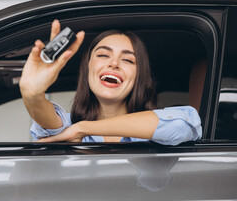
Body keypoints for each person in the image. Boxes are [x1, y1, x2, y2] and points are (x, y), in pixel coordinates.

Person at [19, 20, 202, 145]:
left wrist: (84, 129)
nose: (113, 63)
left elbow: (182, 125)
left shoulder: (155, 131)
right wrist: (32, 94)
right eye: (103, 55)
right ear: (88, 67)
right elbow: (50, 122)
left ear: (140, 76)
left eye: (128, 60)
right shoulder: (68, 125)